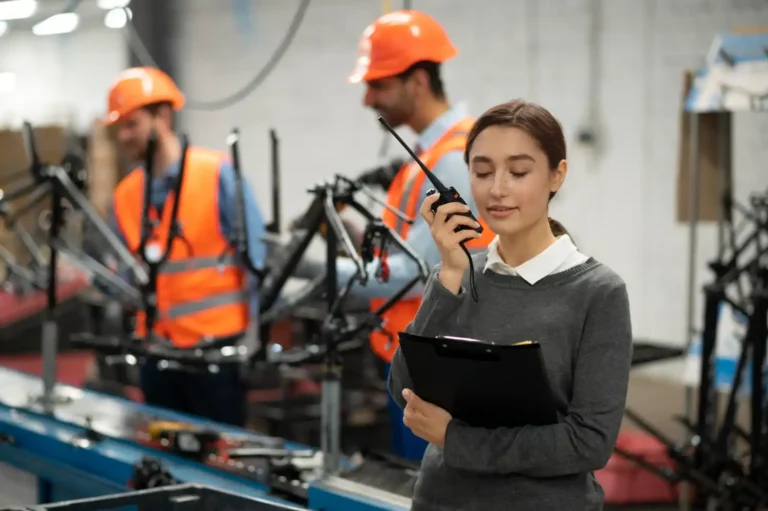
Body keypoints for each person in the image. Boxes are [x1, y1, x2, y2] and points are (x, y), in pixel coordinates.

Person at [388, 99, 633, 510]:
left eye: (518, 172)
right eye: (482, 172)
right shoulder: (458, 273)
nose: (497, 189)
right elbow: (403, 390)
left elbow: (588, 442)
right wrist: (449, 273)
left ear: (557, 175)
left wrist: (456, 439)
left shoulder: (598, 292)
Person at [345, 10, 496, 461]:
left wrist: (323, 274)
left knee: (428, 485)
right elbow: (415, 249)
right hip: (421, 355)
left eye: (378, 85)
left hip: (437, 368)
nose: (368, 99)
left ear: (418, 81)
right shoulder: (432, 153)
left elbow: (414, 272)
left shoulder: (452, 158)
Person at [104, 66, 267, 427]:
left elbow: (258, 262)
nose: (124, 137)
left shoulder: (218, 174)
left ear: (163, 116)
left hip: (217, 356)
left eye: (132, 124)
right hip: (156, 355)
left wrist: (254, 342)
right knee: (162, 450)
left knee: (222, 453)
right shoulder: (125, 195)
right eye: (119, 129)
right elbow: (127, 275)